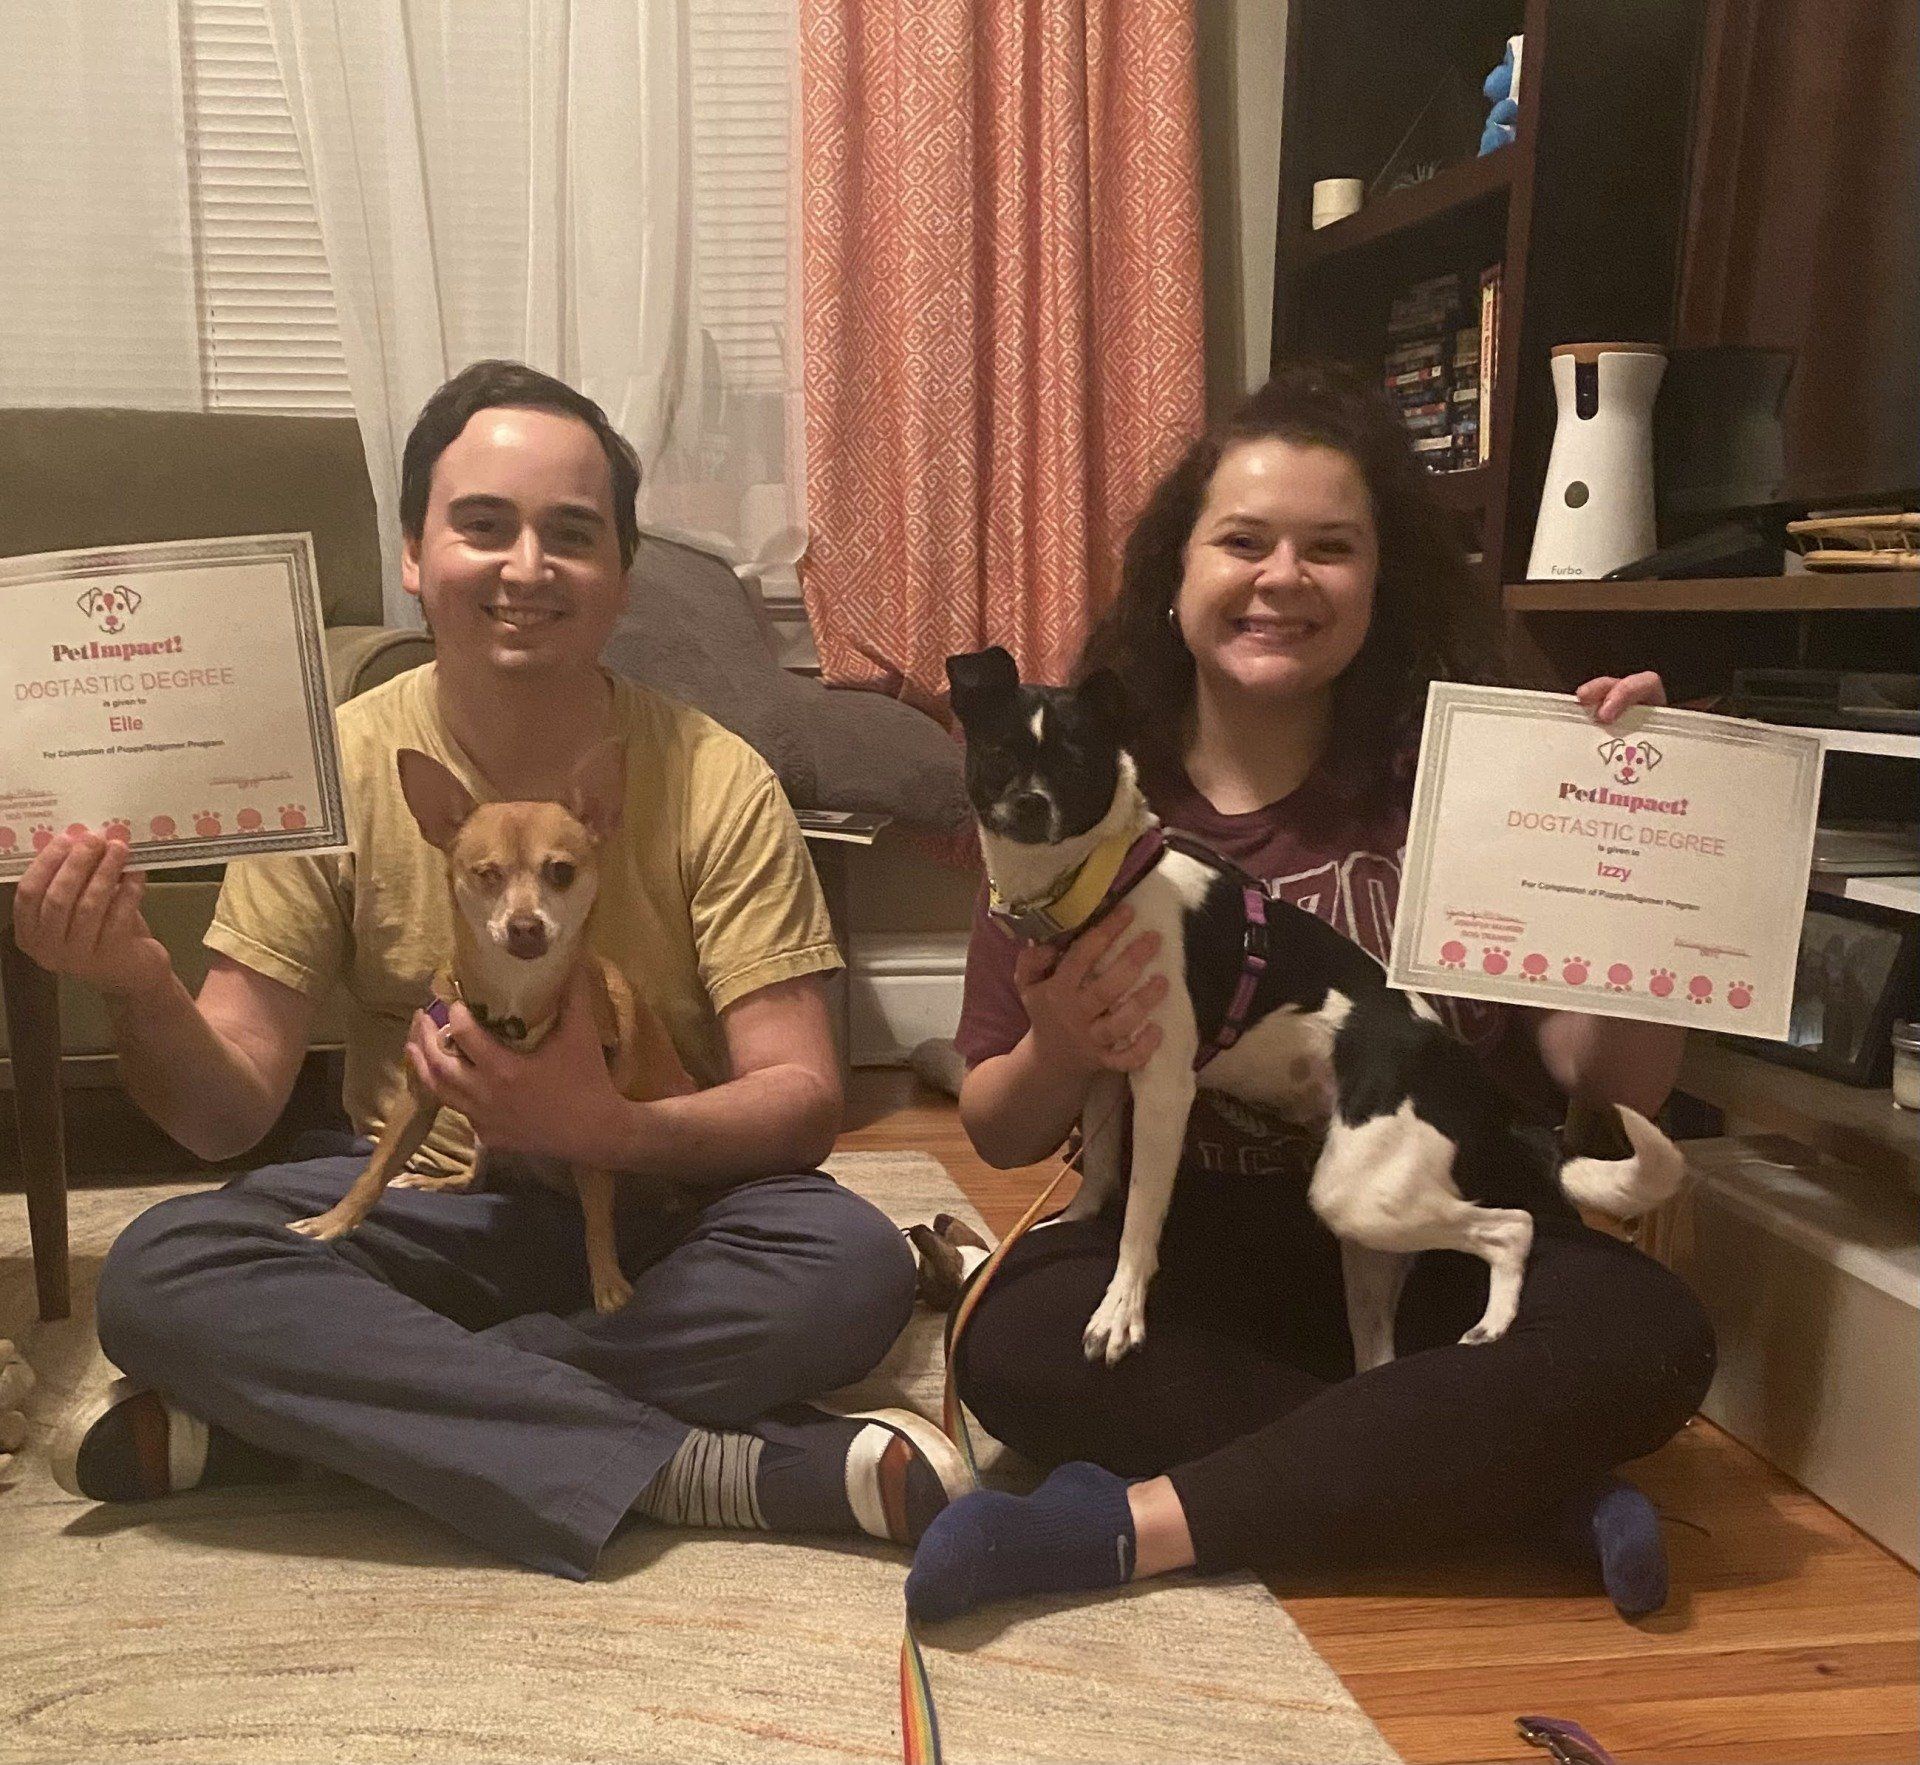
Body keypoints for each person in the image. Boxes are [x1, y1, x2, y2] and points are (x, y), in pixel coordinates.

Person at [19, 360, 966, 1578]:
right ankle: (695, 1463)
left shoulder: (715, 776)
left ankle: (319, 1425)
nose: (526, 568)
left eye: (570, 536)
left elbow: (799, 1102)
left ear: (621, 577)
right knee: (159, 1274)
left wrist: (603, 1125)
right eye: (483, 527)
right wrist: (136, 983)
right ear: (414, 552)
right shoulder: (340, 766)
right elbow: (223, 1113)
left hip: (656, 1216)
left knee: (843, 1264)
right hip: (427, 1216)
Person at [906, 361, 1716, 1625]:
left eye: (1330, 548)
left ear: (1382, 585)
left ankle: (1121, 1525)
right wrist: (1064, 1040)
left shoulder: (1482, 776)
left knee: (1651, 1332)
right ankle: (1516, 1486)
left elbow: (1609, 1090)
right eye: (1243, 541)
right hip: (1195, 1251)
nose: (1283, 577)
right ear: (1174, 580)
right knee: (1011, 1336)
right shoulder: (1070, 795)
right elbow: (1004, 1128)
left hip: (1428, 1212)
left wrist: (1634, 858)